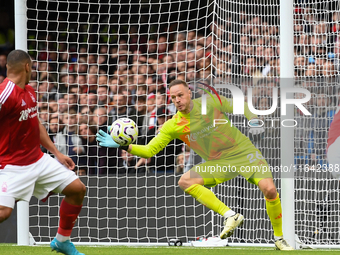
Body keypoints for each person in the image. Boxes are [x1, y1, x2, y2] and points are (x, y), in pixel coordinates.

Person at [96, 79, 293, 250]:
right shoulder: (173, 125)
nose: (177, 101)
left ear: (189, 92)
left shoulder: (211, 102)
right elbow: (149, 151)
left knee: (269, 190)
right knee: (185, 181)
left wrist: (254, 120)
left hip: (243, 152)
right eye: (173, 98)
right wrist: (125, 145)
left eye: (180, 95)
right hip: (218, 162)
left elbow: (241, 105)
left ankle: (279, 238)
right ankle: (230, 215)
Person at [0, 50, 86, 255]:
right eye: (33, 66)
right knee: (3, 212)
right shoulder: (5, 94)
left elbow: (35, 123)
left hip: (37, 160)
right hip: (12, 166)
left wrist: (55, 151)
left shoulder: (29, 91)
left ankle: (62, 241)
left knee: (77, 189)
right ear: (27, 67)